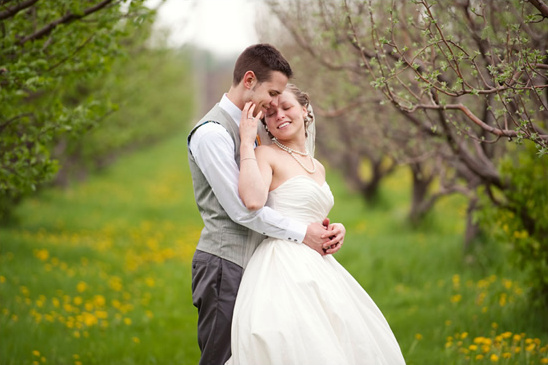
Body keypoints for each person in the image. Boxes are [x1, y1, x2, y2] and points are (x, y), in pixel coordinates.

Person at [187, 44, 346, 365]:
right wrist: (304, 233)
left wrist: (327, 227)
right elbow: (242, 208)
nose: (276, 104)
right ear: (249, 80)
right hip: (225, 264)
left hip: (269, 266)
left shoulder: (261, 126)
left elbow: (287, 188)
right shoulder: (212, 134)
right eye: (272, 92)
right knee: (223, 358)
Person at [226, 84, 406, 365]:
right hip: (282, 263)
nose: (280, 116)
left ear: (304, 110)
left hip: (319, 263)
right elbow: (252, 199)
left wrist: (336, 229)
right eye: (271, 113)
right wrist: (248, 142)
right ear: (266, 125)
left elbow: (311, 212)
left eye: (286, 107)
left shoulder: (317, 166)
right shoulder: (266, 155)